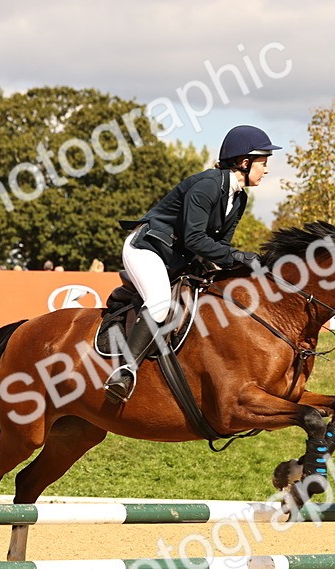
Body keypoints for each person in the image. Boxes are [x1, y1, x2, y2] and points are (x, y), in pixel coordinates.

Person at [103, 124, 280, 402]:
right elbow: (195, 238)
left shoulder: (239, 198)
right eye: (263, 162)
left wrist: (244, 265)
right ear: (245, 162)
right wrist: (239, 256)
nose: (266, 169)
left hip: (179, 255)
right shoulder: (207, 185)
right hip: (148, 249)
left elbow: (220, 247)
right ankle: (124, 373)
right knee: (160, 302)